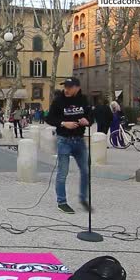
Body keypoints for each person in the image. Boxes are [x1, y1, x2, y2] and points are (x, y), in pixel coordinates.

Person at [45, 77, 92, 214]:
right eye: (65, 87)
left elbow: (91, 117)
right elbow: (49, 118)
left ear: (77, 87)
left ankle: (83, 199)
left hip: (79, 140)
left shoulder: (83, 100)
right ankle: (62, 202)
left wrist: (87, 120)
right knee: (62, 173)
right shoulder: (58, 100)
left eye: (70, 87)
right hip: (64, 139)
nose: (67, 89)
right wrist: (63, 123)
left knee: (85, 171)